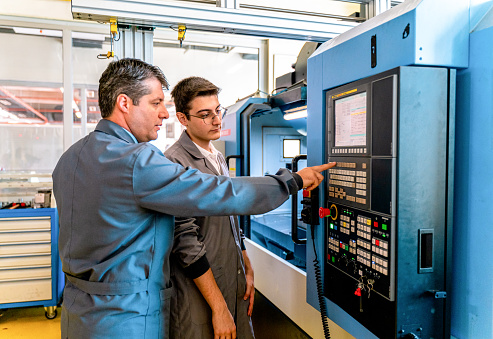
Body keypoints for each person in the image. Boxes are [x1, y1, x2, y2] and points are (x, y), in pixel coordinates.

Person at [52, 58, 335, 339]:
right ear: (124, 103)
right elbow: (219, 193)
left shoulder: (69, 159)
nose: (164, 113)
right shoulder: (137, 161)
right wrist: (292, 180)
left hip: (79, 315)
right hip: (127, 318)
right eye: (155, 103)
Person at [165, 77, 254, 338]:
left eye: (218, 111)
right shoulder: (175, 163)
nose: (217, 120)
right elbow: (185, 241)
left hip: (231, 276)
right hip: (201, 293)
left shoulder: (216, 155)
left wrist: (245, 261)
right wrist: (219, 307)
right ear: (182, 118)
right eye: (205, 115)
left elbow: (229, 217)